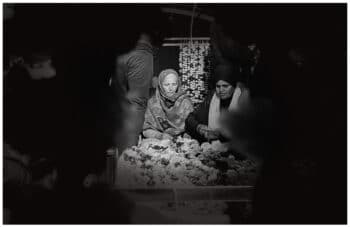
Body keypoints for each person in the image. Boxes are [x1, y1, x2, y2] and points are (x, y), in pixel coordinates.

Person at [185, 63, 249, 143]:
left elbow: (246, 131)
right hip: (212, 148)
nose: (221, 90)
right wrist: (199, 127)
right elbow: (190, 118)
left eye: (225, 86)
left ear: (233, 86)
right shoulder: (212, 96)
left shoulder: (242, 98)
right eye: (218, 86)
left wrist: (220, 134)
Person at [143, 69, 194, 140]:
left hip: (182, 143)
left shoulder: (185, 103)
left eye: (174, 84)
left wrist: (187, 136)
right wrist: (160, 136)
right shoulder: (152, 103)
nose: (171, 88)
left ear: (178, 84)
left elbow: (192, 127)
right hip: (158, 144)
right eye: (166, 85)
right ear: (160, 85)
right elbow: (146, 129)